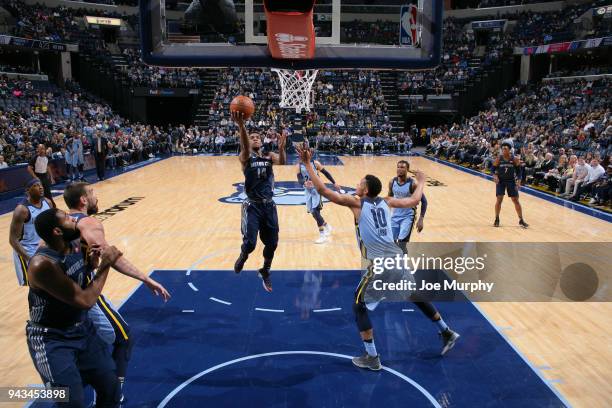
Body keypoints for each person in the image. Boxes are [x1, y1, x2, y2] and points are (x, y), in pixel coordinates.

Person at [296, 145, 460, 371]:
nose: (357, 184)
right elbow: (414, 200)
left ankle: (372, 357)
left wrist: (307, 164)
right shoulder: (387, 201)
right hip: (397, 259)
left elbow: (324, 191)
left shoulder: (356, 202)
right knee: (412, 293)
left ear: (365, 189)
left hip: (380, 264)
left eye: (360, 182)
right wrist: (421, 180)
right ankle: (446, 331)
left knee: (358, 305)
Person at [63, 182, 171, 400]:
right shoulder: (89, 222)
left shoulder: (62, 221)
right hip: (84, 292)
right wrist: (146, 279)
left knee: (87, 347)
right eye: (91, 193)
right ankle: (113, 395)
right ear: (83, 200)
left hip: (61, 294)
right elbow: (110, 256)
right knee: (123, 338)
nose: (95, 197)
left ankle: (85, 392)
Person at [26, 208, 123, 407]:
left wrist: (94, 263)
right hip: (51, 338)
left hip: (82, 329)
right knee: (71, 401)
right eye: (68, 219)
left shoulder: (76, 244)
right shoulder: (42, 264)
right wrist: (106, 265)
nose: (74, 219)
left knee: (111, 386)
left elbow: (81, 274)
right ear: (57, 232)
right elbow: (86, 300)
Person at [232, 111, 287, 292]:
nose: (255, 139)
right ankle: (243, 255)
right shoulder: (245, 157)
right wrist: (242, 126)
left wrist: (281, 147)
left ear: (262, 141)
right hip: (253, 206)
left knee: (272, 243)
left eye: (257, 137)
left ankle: (265, 270)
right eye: (252, 137)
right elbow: (245, 146)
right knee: (251, 244)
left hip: (269, 205)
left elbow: (283, 162)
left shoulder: (269, 156)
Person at [9, 179, 53, 286]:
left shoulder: (48, 202)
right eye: (36, 185)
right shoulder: (22, 210)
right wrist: (30, 259)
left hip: (43, 248)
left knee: (51, 282)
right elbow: (13, 240)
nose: (41, 187)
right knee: (35, 286)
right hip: (27, 250)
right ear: (28, 191)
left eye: (41, 185)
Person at [297, 149, 339, 244]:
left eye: (306, 152)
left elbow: (326, 173)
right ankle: (327, 226)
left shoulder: (315, 163)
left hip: (318, 189)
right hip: (308, 190)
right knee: (313, 213)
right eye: (303, 153)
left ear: (310, 154)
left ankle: (322, 235)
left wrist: (334, 183)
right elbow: (299, 178)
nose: (305, 154)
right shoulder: (299, 165)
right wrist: (304, 182)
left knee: (316, 212)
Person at [492, 142, 528, 228]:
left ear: (509, 150)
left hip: (511, 181)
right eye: (503, 149)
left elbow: (519, 171)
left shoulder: (514, 159)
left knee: (515, 200)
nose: (503, 150)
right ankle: (497, 218)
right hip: (500, 181)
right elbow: (492, 168)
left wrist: (519, 181)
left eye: (505, 149)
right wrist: (495, 175)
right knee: (499, 200)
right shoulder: (498, 158)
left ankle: (521, 220)